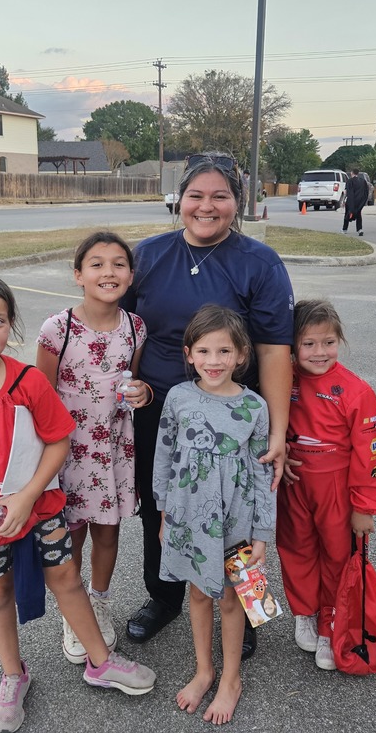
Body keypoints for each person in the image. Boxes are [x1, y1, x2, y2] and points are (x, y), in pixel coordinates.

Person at [0, 270, 156, 733]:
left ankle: (100, 661)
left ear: (11, 326)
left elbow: (59, 442)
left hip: (41, 507)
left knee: (66, 578)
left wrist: (27, 495)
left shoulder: (27, 382)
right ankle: (13, 675)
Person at [120, 151, 294, 661]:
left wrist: (278, 433)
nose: (206, 206)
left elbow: (275, 349)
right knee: (163, 505)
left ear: (237, 202)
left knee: (241, 511)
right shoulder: (148, 255)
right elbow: (124, 333)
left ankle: (248, 607)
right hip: (162, 410)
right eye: (196, 195)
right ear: (180, 200)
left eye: (220, 196)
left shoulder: (258, 263)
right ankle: (166, 595)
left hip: (236, 417)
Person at [153, 305, 276, 724]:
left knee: (232, 598)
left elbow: (263, 473)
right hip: (188, 516)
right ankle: (205, 670)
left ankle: (231, 680)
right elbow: (165, 455)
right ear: (189, 353)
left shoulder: (255, 407)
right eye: (204, 351)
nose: (214, 361)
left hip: (237, 519)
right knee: (198, 593)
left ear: (241, 354)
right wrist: (165, 512)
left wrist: (262, 531)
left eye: (224, 351)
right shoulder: (178, 397)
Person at [36, 231, 151, 664]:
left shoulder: (136, 328)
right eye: (97, 264)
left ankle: (99, 601)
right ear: (78, 275)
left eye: (118, 263)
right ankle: (75, 607)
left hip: (115, 450)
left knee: (109, 531)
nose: (109, 271)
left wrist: (144, 392)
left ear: (131, 275)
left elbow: (134, 383)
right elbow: (40, 397)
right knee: (74, 534)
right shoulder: (57, 329)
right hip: (70, 453)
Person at [276, 298, 376, 671]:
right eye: (309, 343)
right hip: (294, 485)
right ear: (293, 344)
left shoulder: (356, 391)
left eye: (329, 342)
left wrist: (364, 507)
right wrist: (282, 451)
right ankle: (304, 612)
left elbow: (370, 455)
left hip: (338, 488)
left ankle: (330, 622)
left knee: (338, 555)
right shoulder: (282, 379)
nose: (319, 352)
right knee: (296, 548)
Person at [343, 168, 369, 236]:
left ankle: (344, 229)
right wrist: (363, 201)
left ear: (352, 173)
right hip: (360, 201)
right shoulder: (363, 181)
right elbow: (366, 192)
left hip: (351, 201)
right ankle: (359, 229)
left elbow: (348, 192)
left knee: (347, 214)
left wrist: (344, 200)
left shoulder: (349, 181)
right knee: (358, 215)